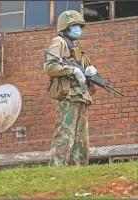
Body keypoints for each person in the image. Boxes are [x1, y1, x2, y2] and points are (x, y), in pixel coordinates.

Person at [44, 10, 97, 166]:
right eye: (75, 26)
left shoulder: (76, 49)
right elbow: (50, 66)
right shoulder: (58, 42)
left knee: (81, 136)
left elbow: (85, 72)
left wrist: (90, 73)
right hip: (68, 95)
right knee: (65, 132)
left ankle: (78, 169)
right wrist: (71, 70)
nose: (79, 30)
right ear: (66, 27)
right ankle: (57, 167)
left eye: (81, 27)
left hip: (81, 95)